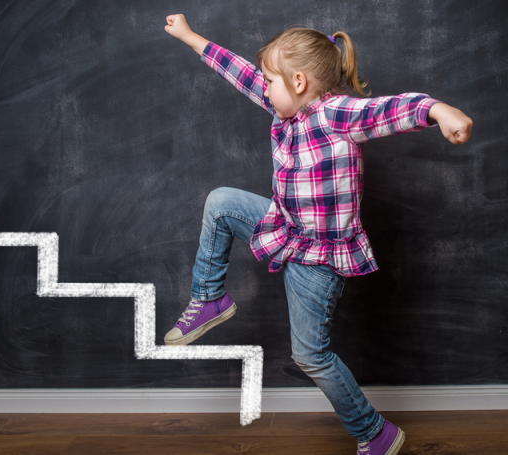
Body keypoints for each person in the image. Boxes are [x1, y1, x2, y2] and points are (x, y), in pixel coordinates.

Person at [163, 13, 472, 455]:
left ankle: (375, 432)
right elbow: (240, 72)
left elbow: (390, 109)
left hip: (319, 262)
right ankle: (210, 296)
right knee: (221, 202)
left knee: (310, 356)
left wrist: (439, 110)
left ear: (301, 82)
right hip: (285, 228)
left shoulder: (337, 115)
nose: (263, 87)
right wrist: (192, 38)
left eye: (271, 81)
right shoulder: (282, 104)